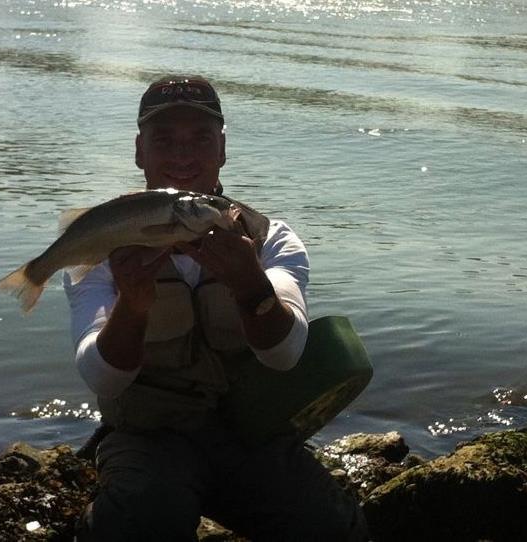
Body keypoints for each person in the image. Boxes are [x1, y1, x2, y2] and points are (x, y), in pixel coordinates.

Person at [64, 75, 367, 541]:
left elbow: (284, 354)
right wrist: (134, 306)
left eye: (200, 138)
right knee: (140, 519)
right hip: (148, 435)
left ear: (222, 148)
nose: (182, 155)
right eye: (164, 139)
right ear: (139, 151)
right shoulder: (103, 242)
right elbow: (102, 378)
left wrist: (249, 284)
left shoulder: (270, 239)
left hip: (251, 433)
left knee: (333, 528)